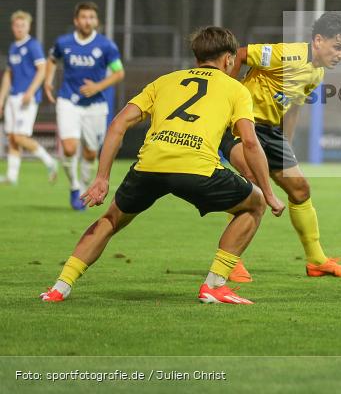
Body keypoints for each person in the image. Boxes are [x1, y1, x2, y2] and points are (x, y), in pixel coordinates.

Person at [40, 26, 284, 304]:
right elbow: (251, 144)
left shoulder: (165, 81)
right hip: (197, 169)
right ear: (229, 59)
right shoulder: (235, 89)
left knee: (110, 219)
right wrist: (269, 192)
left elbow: (119, 124)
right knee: (254, 204)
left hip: (150, 165)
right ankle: (214, 285)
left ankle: (60, 287)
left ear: (196, 58)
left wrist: (102, 177)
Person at [220, 11, 341, 282]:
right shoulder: (288, 54)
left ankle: (317, 261)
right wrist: (227, 93)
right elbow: (240, 54)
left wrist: (286, 142)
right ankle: (231, 259)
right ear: (318, 40)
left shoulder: (317, 73)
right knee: (252, 184)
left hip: (270, 132)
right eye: (338, 47)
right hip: (241, 123)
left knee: (300, 189)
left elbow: (294, 106)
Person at [44, 2, 124, 210]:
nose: (88, 21)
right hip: (68, 101)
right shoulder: (64, 42)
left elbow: (118, 73)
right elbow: (52, 60)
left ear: (96, 21)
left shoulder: (106, 46)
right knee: (70, 148)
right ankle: (75, 187)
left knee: (90, 153)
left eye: (91, 17)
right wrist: (47, 81)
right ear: (76, 20)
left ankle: (84, 186)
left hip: (96, 106)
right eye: (84, 17)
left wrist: (98, 86)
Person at [0, 11, 58, 184]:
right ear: (12, 27)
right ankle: (11, 176)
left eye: (22, 25)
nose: (19, 28)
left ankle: (51, 162)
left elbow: (42, 69)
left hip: (27, 98)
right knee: (11, 137)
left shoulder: (33, 45)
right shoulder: (13, 47)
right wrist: (1, 98)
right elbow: (8, 75)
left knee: (19, 137)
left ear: (28, 26)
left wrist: (31, 91)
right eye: (16, 25)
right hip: (13, 97)